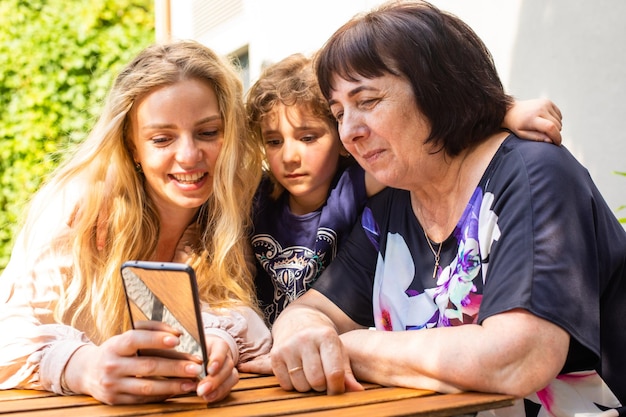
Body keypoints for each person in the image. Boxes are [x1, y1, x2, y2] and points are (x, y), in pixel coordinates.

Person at [267, 2, 626, 416]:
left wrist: (351, 347)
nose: (349, 132)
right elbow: (311, 309)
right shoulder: (389, 207)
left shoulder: (533, 176)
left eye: (366, 100)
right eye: (339, 113)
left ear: (438, 89)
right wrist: (304, 333)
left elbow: (519, 357)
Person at [0, 40, 271, 405]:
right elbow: (9, 329)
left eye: (208, 132)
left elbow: (242, 315)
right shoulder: (80, 206)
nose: (190, 156)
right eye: (162, 139)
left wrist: (220, 346)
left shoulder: (231, 204)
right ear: (131, 145)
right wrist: (83, 367)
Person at [244, 53, 563, 328]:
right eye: (273, 141)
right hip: (268, 347)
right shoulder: (254, 197)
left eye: (308, 137)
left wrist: (503, 110)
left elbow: (426, 139)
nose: (289, 156)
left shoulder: (356, 183)